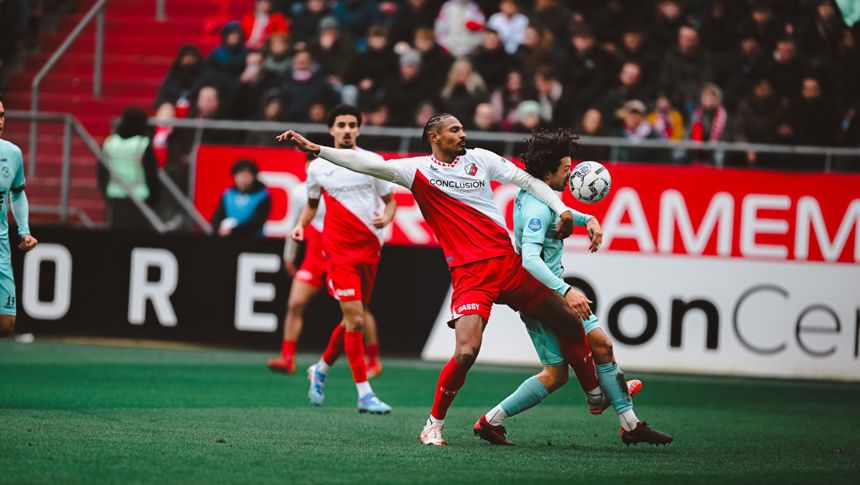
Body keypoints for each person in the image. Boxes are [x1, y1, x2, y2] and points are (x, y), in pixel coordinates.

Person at [276, 113, 671, 446]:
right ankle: (433, 424)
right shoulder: (415, 170)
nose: (463, 134)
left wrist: (563, 209)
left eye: (463, 129)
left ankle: (595, 395)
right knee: (466, 352)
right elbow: (364, 165)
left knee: (571, 320)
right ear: (435, 137)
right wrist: (317, 150)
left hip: (509, 265)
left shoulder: (480, 159)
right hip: (470, 275)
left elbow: (528, 182)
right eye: (455, 130)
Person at [474, 129, 666, 446]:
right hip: (542, 297)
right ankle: (607, 405)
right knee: (580, 358)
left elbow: (557, 216)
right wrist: (566, 290)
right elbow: (530, 260)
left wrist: (588, 218)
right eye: (566, 168)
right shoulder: (536, 207)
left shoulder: (540, 194)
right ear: (548, 171)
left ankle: (490, 421)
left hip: (543, 294)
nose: (571, 173)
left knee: (570, 365)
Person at [290, 105, 396, 414]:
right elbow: (311, 206)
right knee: (357, 319)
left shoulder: (372, 162)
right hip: (337, 252)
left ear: (359, 130)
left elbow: (390, 203)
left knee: (353, 318)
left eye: (352, 124)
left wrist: (386, 219)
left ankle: (320, 369)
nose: (347, 129)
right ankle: (364, 394)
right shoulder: (317, 168)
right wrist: (300, 225)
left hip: (370, 250)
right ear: (332, 130)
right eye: (341, 124)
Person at [0, 97, 38, 338]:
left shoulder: (12, 153)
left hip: (1, 246)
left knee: (6, 324)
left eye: (2, 115)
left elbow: (18, 192)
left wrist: (24, 230)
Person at [99, 107, 159, 231]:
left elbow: (101, 172)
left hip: (114, 197)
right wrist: (154, 197)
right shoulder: (143, 144)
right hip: (139, 198)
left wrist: (106, 192)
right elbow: (151, 174)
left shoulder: (109, 143)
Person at [211, 159, 272, 237]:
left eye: (246, 175)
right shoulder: (228, 194)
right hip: (228, 239)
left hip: (253, 240)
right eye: (239, 175)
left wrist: (234, 230)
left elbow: (257, 222)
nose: (242, 179)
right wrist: (218, 228)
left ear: (253, 176)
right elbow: (217, 217)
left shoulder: (262, 196)